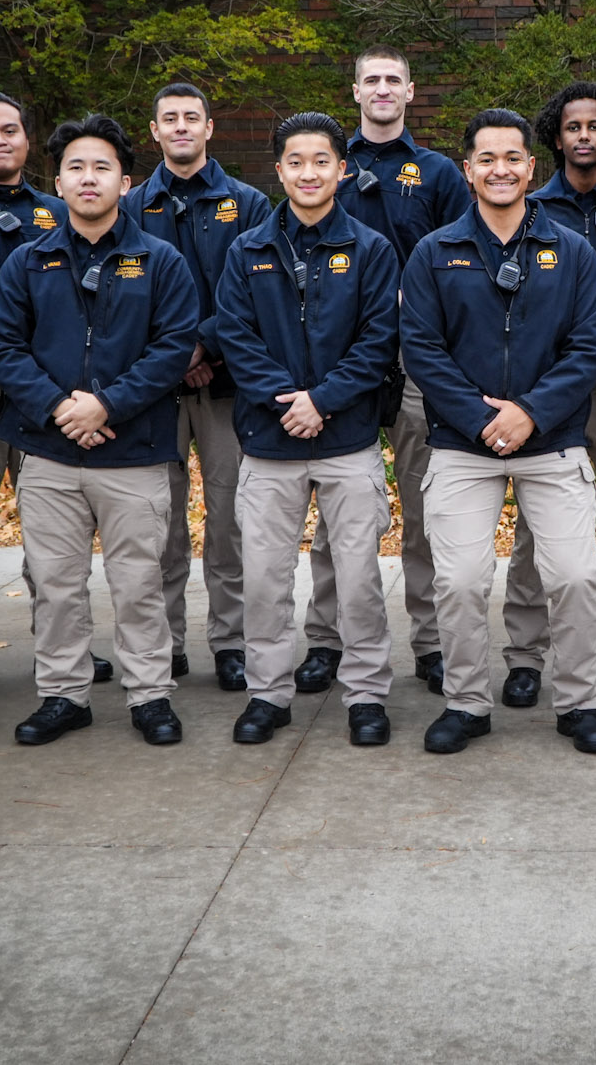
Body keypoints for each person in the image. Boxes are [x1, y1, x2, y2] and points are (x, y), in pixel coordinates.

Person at [402, 109, 596, 755]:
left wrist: (530, 412)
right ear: (467, 170)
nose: (501, 169)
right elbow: (422, 349)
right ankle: (467, 703)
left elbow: (589, 347)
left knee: (575, 576)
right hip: (462, 444)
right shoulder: (433, 252)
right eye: (487, 159)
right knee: (460, 580)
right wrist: (481, 418)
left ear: (531, 166)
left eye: (513, 158)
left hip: (552, 441)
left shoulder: (573, 252)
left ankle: (579, 702)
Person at [0, 114, 198, 746]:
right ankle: (63, 695)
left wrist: (106, 406)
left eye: (102, 167)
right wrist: (58, 408)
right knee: (55, 586)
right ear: (58, 182)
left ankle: (150, 695)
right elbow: (1, 345)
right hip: (49, 453)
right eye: (75, 167)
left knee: (140, 584)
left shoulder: (161, 261)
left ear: (125, 182)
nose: (88, 178)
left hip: (135, 452)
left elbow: (172, 348)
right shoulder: (28, 261)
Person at [217, 113, 402, 747]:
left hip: (348, 441)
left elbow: (378, 341)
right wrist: (287, 404)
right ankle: (267, 695)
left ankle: (366, 694)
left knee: (358, 580)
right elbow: (237, 339)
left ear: (342, 169)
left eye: (322, 161)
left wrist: (322, 401)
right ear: (279, 170)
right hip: (269, 444)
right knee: (265, 579)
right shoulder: (246, 250)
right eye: (296, 162)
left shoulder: (372, 250)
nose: (309, 173)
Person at [295, 46, 471, 698]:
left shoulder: (438, 173)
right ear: (355, 91)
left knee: (426, 509)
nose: (382, 88)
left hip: (418, 360)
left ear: (410, 91)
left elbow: (463, 259)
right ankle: (326, 639)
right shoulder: (327, 166)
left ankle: (431, 643)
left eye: (393, 79)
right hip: (340, 363)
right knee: (337, 514)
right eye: (371, 79)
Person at [497, 81, 596, 711]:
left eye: (595, 126)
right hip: (543, 391)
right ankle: (525, 657)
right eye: (573, 127)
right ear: (555, 138)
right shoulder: (530, 208)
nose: (584, 136)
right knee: (536, 528)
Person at [120, 82, 271, 691]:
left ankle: (231, 642)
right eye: (170, 118)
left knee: (229, 519)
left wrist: (203, 346)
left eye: (191, 117)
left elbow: (255, 292)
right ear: (154, 132)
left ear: (209, 128)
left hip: (228, 385)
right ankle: (166, 643)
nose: (181, 126)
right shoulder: (132, 206)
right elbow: (127, 300)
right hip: (154, 390)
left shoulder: (249, 203)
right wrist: (174, 358)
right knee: (159, 522)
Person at [0, 92, 93, 683]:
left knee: (56, 535)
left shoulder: (59, 210)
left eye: (10, 129)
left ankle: (62, 646)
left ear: (28, 140)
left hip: (47, 399)